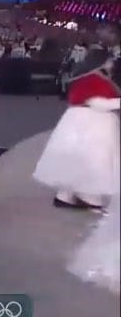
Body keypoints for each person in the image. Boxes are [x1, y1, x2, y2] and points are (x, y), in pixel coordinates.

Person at [34, 49, 120, 210]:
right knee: (93, 161)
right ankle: (88, 197)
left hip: (80, 123)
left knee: (76, 161)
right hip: (92, 125)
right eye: (109, 60)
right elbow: (98, 103)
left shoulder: (87, 77)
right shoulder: (94, 79)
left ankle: (64, 196)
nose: (112, 63)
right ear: (100, 61)